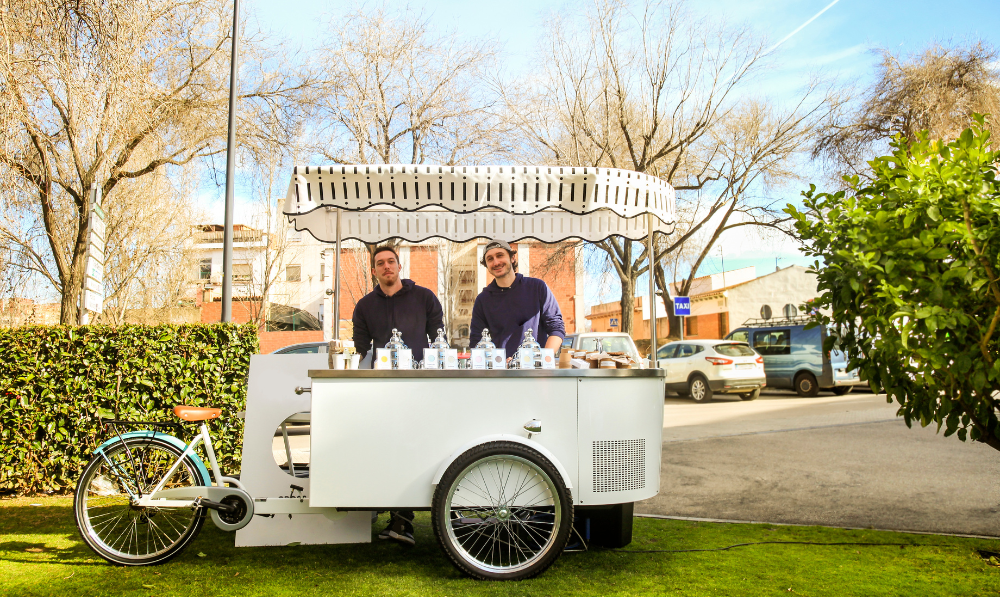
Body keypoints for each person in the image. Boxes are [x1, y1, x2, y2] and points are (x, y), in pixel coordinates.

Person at [351, 244, 443, 545]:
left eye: (391, 261)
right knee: (386, 447)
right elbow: (362, 351)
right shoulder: (364, 306)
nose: (386, 266)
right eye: (380, 263)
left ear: (399, 266)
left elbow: (438, 340)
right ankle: (400, 521)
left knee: (421, 446)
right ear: (374, 270)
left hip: (421, 386)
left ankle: (424, 515)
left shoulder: (425, 297)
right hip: (382, 388)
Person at [469, 239, 565, 357]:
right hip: (499, 370)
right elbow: (476, 342)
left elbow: (556, 327)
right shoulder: (483, 300)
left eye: (500, 255)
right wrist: (499, 363)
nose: (496, 262)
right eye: (490, 259)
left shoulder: (537, 288)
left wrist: (543, 359)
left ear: (512, 258)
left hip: (534, 369)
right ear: (486, 265)